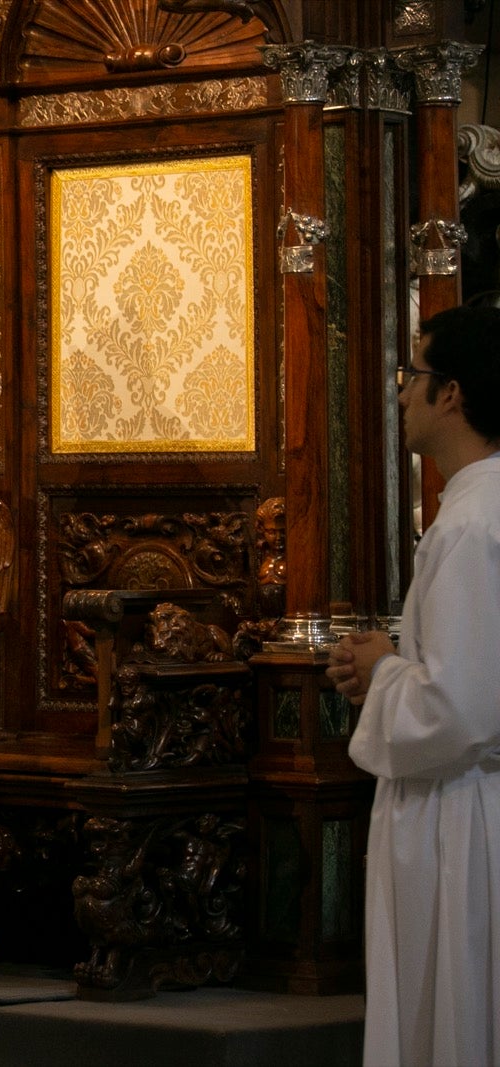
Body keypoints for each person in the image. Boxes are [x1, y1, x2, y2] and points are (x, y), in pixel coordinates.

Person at [326, 304, 500, 1067]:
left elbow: (457, 708)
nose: (400, 394)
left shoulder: (467, 528)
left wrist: (383, 671)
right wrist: (395, 658)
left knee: (453, 1016)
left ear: (452, 393)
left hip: (461, 816)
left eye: (413, 375)